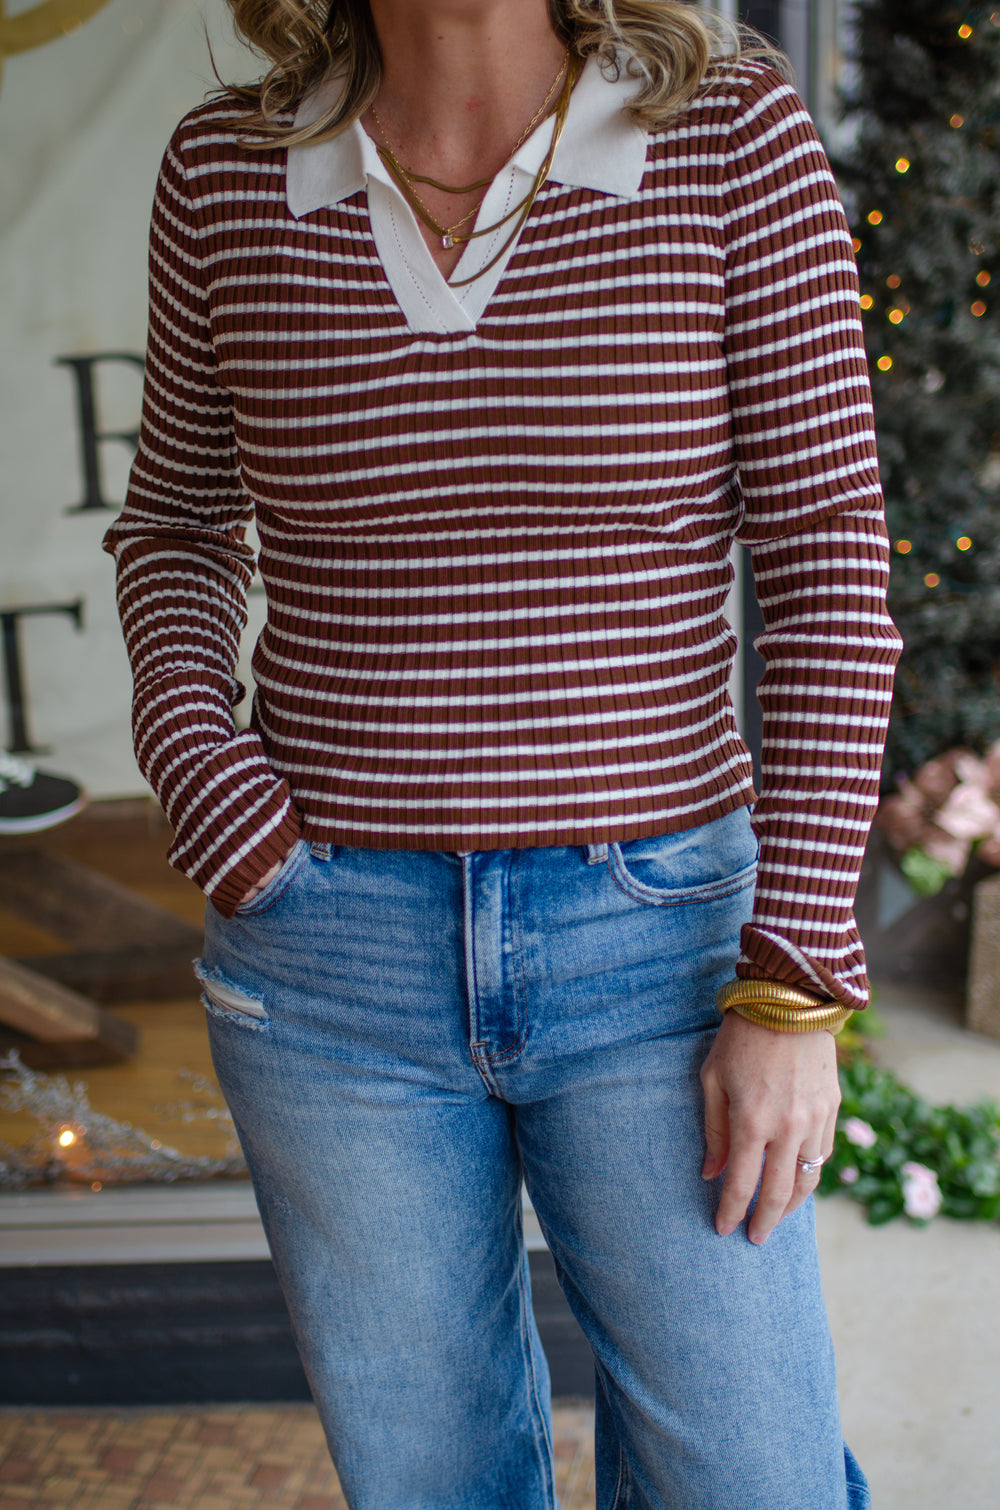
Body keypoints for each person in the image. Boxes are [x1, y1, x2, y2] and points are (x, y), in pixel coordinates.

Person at [104, 1, 901, 1504]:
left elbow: (828, 565)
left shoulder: (730, 138)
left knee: (755, 1479)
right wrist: (200, 763)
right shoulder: (227, 170)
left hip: (660, 948)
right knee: (433, 1484)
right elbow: (179, 526)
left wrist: (794, 982)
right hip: (328, 960)